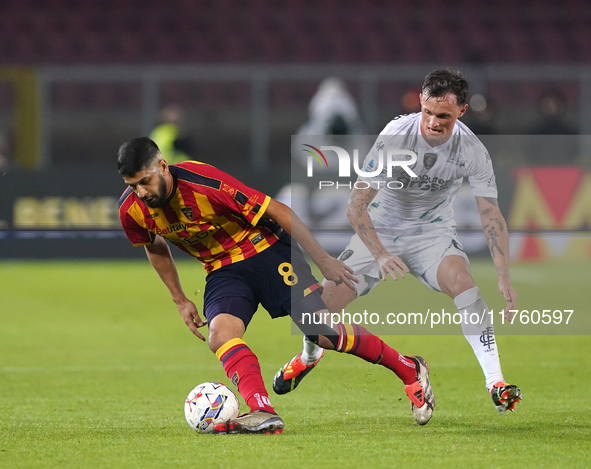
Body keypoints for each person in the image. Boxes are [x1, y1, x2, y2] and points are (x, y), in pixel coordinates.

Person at [116, 137, 436, 434]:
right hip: (223, 269)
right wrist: (180, 299)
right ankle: (262, 410)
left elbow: (279, 210)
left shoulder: (205, 183)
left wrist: (323, 260)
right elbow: (154, 245)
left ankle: (411, 369)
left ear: (162, 166)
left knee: (322, 331)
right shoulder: (131, 210)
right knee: (220, 335)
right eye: (133, 186)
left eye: (145, 181)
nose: (141, 192)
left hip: (266, 248)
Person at [273, 69, 522, 415]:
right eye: (429, 112)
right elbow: (356, 205)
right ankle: (307, 357)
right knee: (315, 316)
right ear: (421, 101)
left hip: (433, 233)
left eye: (444, 117)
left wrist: (503, 273)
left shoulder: (473, 150)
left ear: (462, 112)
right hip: (380, 229)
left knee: (466, 287)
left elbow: (491, 215)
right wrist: (380, 254)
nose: (434, 123)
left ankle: (495, 382)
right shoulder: (395, 136)